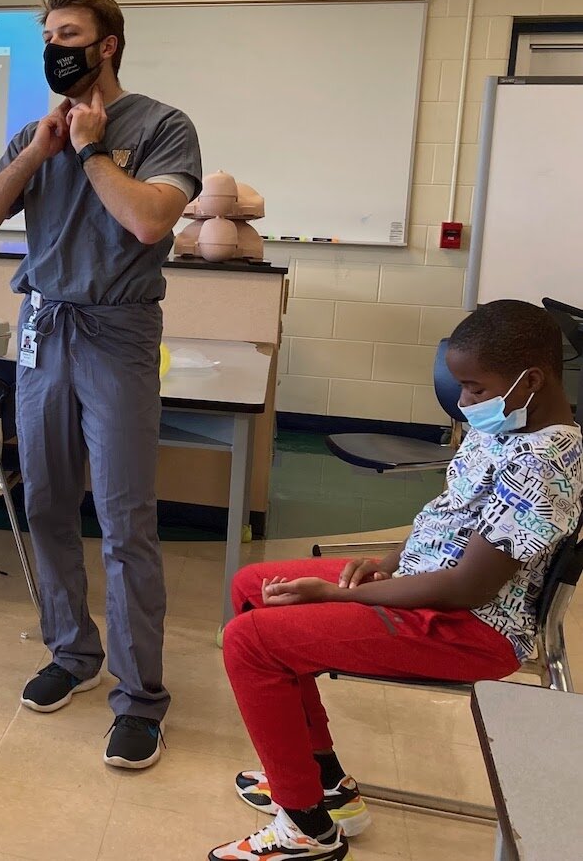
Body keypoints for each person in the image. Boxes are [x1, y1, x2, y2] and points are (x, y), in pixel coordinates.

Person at [211, 300, 582, 861]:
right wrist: (386, 562)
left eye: (474, 388)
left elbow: (467, 589)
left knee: (251, 642)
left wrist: (339, 593)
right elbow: (449, 517)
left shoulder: (543, 465)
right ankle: (326, 783)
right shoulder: (511, 422)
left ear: (530, 380)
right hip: (427, 584)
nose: (464, 402)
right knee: (253, 587)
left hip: (469, 627)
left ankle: (308, 827)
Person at [0, 0, 202, 768]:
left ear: (107, 45)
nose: (53, 47)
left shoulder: (163, 126)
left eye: (68, 34)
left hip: (117, 332)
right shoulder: (35, 133)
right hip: (42, 329)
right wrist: (41, 149)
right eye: (46, 35)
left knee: (125, 519)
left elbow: (148, 220)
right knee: (48, 503)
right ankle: (70, 653)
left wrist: (93, 149)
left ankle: (139, 696)